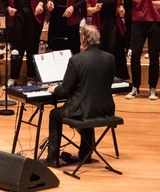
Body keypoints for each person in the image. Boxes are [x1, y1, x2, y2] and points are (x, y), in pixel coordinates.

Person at [45, 25, 116, 168]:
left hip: (83, 111)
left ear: (83, 39)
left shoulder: (76, 60)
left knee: (54, 114)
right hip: (105, 110)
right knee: (88, 104)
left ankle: (52, 159)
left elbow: (64, 90)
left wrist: (54, 89)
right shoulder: (110, 58)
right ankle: (86, 154)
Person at [4, 0, 47, 86]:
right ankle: (13, 77)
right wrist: (7, 8)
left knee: (32, 47)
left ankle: (31, 77)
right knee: (17, 48)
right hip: (16, 17)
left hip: (33, 17)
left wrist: (40, 4)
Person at [85, 0, 128, 82]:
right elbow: (88, 9)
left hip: (114, 24)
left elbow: (121, 4)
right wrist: (95, 9)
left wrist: (121, 9)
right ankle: (101, 81)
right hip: (99, 24)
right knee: (100, 53)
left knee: (113, 51)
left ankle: (115, 80)